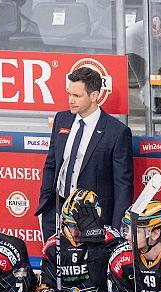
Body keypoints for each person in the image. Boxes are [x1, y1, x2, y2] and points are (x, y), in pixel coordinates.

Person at [36, 67, 133, 240]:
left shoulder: (117, 132)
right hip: (57, 212)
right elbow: (51, 164)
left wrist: (117, 229)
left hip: (92, 219)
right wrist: (46, 202)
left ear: (94, 96)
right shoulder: (61, 119)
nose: (70, 100)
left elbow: (122, 185)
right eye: (69, 94)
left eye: (77, 96)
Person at [37, 189, 122, 292]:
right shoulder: (53, 245)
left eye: (79, 226)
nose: (74, 232)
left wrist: (95, 242)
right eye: (70, 225)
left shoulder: (113, 240)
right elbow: (44, 286)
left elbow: (107, 283)